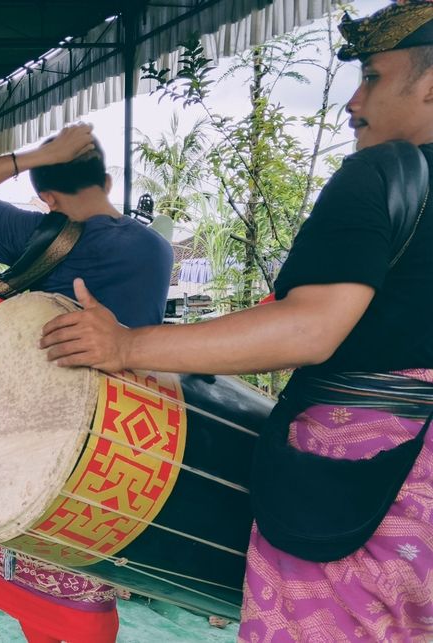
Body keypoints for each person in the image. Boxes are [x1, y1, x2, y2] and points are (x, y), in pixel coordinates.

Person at [38, 4, 433, 639]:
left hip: (364, 484)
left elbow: (309, 328)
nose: (353, 102)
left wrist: (128, 344)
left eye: (374, 78)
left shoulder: (383, 171)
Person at [0, 123, 172, 643]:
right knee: (78, 576)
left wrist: (34, 156)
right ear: (108, 182)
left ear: (46, 199)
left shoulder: (33, 233)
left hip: (22, 437)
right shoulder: (157, 251)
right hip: (111, 443)